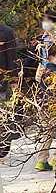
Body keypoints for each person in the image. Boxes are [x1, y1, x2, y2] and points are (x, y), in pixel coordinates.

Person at [34, 45, 56, 171]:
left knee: (47, 133)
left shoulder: (44, 72)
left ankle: (41, 161)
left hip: (43, 106)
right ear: (50, 58)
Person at [0, 23, 23, 158]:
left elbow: (12, 57)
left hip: (3, 81)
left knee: (4, 115)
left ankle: (3, 145)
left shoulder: (6, 32)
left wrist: (13, 80)